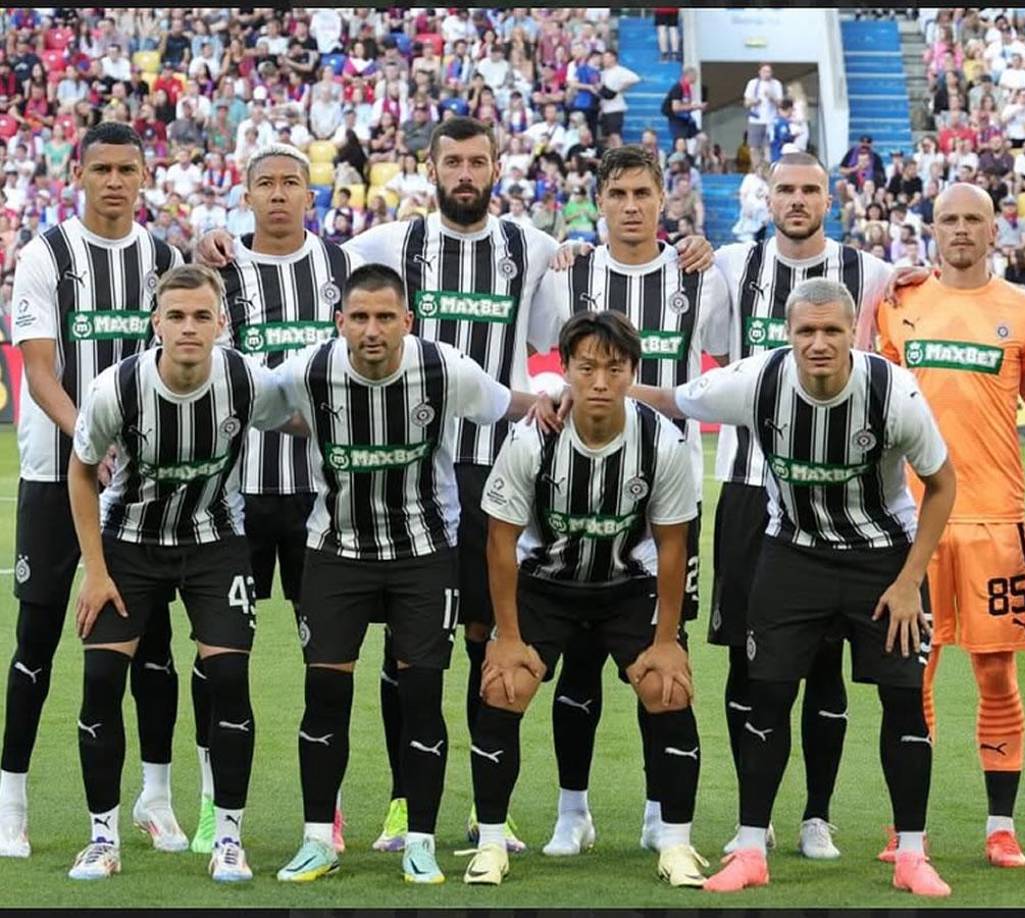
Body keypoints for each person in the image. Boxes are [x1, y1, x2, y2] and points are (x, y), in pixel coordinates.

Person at [196, 118, 713, 852]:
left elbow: (569, 319)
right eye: (452, 161)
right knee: (402, 655)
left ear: (497, 167)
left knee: (487, 644)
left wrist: (689, 245)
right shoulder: (385, 245)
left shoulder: (533, 249)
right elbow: (294, 247)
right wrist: (218, 239)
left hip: (500, 471)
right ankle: (408, 807)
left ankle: (482, 812)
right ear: (430, 167)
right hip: (413, 473)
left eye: (477, 161)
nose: (465, 173)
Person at [629, 277, 957, 897]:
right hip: (793, 555)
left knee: (903, 700)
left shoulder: (893, 392)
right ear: (789, 335)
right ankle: (751, 849)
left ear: (853, 332)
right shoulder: (758, 380)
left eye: (832, 330)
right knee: (766, 697)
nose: (819, 343)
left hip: (880, 559)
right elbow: (674, 399)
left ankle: (912, 854)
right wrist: (596, 388)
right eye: (806, 331)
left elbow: (942, 483)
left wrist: (912, 581)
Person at [271, 264, 558, 885]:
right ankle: (319, 838)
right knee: (325, 697)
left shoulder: (443, 367)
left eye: (384, 318)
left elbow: (509, 405)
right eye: (359, 318)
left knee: (422, 697)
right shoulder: (309, 370)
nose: (371, 331)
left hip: (424, 554)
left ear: (408, 320)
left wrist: (553, 395)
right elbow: (255, 409)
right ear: (339, 321)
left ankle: (420, 841)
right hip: (336, 551)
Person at [531, 145, 731, 857]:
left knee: (660, 659)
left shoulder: (698, 277)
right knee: (579, 661)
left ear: (663, 199)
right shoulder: (568, 274)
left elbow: (724, 360)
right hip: (576, 496)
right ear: (601, 200)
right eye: (617, 193)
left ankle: (656, 811)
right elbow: (546, 366)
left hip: (666, 502)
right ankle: (572, 811)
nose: (632, 206)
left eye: (643, 192)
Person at [66, 263, 294, 881]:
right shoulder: (118, 387)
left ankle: (227, 837)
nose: (189, 328)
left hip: (215, 541)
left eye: (201, 316)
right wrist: (94, 571)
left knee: (229, 682)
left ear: (222, 322)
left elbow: (306, 414)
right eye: (176, 316)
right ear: (155, 324)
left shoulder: (247, 380)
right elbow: (81, 472)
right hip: (130, 544)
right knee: (100, 683)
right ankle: (102, 837)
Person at [464, 310, 704, 887]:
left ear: (632, 373)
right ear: (564, 370)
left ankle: (675, 843)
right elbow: (500, 540)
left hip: (626, 587)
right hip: (547, 585)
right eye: (587, 368)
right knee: (503, 686)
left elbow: (674, 546)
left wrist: (668, 642)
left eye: (614, 369)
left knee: (668, 689)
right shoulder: (533, 437)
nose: (600, 382)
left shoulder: (660, 440)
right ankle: (492, 844)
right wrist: (508, 637)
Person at [0, 123, 188, 860]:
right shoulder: (45, 254)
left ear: (145, 176)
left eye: (127, 169)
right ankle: (11, 801)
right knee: (36, 642)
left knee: (156, 646)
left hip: (143, 485)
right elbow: (39, 368)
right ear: (77, 173)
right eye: (101, 168)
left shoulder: (162, 258)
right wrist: (91, 438)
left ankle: (156, 798)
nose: (114, 181)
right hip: (56, 475)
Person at [709, 151, 895, 859]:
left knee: (823, 659)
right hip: (750, 490)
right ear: (768, 198)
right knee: (743, 661)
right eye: (785, 189)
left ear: (829, 197)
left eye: (809, 189)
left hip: (834, 499)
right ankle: (749, 815)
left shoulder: (870, 274)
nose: (796, 200)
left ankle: (817, 814)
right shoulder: (731, 264)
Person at [186, 144, 364, 856]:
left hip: (320, 499)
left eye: (293, 182)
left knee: (329, 659)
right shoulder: (219, 270)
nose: (281, 194)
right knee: (219, 657)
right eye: (267, 184)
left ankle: (334, 809)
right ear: (247, 194)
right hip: (233, 497)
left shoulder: (343, 269)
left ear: (311, 195)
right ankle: (209, 802)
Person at [875, 183, 1025, 867]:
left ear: (994, 231)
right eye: (948, 219)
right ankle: (906, 828)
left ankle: (1000, 826)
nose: (960, 230)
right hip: (914, 523)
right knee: (911, 675)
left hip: (994, 520)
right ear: (933, 229)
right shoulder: (900, 306)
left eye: (972, 219)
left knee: (994, 674)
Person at [743, 64, 783, 169]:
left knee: (768, 147)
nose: (767, 74)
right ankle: (756, 169)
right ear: (759, 72)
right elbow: (746, 103)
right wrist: (755, 101)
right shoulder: (753, 83)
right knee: (753, 148)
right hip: (755, 120)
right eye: (764, 71)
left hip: (770, 120)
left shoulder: (776, 84)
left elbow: (780, 103)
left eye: (769, 71)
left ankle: (767, 171)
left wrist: (771, 97)